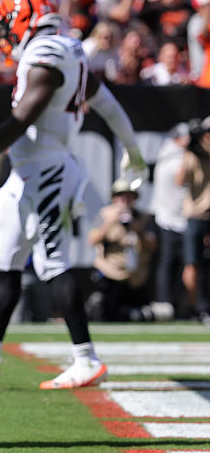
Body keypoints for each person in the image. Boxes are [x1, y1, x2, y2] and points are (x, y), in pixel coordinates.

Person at [0, 0, 148, 389]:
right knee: (4, 255)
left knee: (51, 262)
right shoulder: (68, 50)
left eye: (9, 21)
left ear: (27, 19)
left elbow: (19, 122)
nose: (5, 31)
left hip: (48, 169)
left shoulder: (48, 55)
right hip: (27, 171)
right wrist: (132, 149)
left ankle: (86, 358)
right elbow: (108, 104)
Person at [87, 179, 158, 321]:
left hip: (136, 275)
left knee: (140, 314)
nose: (124, 200)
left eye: (128, 196)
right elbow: (92, 241)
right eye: (120, 196)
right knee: (107, 312)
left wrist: (138, 229)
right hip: (112, 273)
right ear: (114, 198)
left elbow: (152, 245)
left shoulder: (143, 217)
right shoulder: (105, 215)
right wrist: (110, 223)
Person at [152, 123, 190, 316]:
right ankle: (167, 304)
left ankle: (177, 305)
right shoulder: (173, 156)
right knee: (172, 264)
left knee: (180, 264)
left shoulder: (168, 153)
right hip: (173, 218)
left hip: (176, 217)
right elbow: (182, 180)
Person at [176, 118, 210, 324]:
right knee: (193, 264)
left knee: (193, 264)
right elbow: (180, 181)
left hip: (197, 214)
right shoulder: (194, 153)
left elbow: (180, 181)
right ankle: (193, 307)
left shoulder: (193, 152)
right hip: (198, 215)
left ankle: (193, 307)